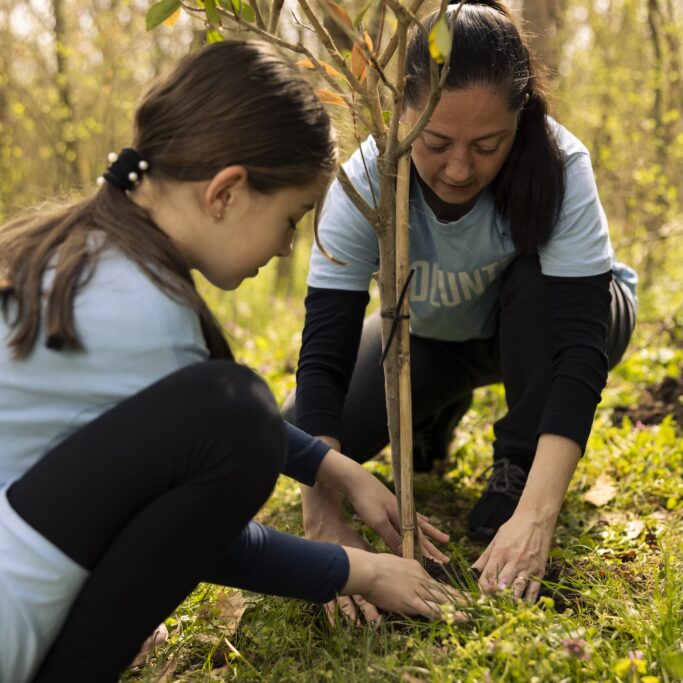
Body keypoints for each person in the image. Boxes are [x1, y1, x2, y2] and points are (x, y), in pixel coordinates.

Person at [0, 41, 461, 683]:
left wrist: (335, 467)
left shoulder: (85, 256)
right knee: (238, 412)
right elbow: (204, 536)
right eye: (291, 216)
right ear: (226, 193)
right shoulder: (148, 315)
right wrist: (363, 571)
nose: (285, 246)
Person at [284, 0, 637, 622]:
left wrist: (536, 514)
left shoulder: (560, 166)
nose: (458, 168)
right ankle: (432, 412)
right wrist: (324, 519)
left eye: (487, 145)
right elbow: (325, 351)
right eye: (437, 142)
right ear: (403, 116)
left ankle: (517, 462)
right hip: (436, 336)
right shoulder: (365, 180)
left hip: (550, 326)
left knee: (531, 284)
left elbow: (580, 349)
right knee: (296, 431)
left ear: (520, 120)